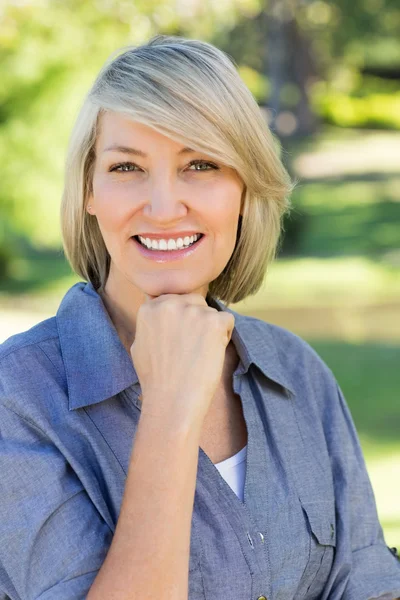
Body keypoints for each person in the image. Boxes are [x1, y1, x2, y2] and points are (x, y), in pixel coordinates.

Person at [0, 34, 399, 600]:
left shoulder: (298, 375)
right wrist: (168, 410)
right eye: (126, 167)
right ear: (90, 190)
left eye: (201, 164)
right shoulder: (15, 399)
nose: (163, 207)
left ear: (245, 186)